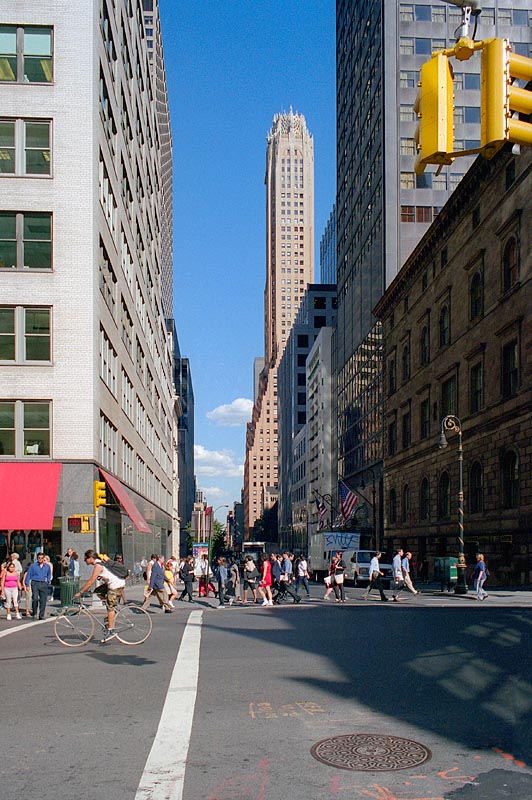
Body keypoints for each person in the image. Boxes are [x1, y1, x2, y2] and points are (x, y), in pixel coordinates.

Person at [75, 550, 126, 641]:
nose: (85, 561)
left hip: (115, 586)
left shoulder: (98, 566)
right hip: (114, 584)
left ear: (91, 558)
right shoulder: (100, 562)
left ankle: (111, 630)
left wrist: (81, 592)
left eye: (86, 559)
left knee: (109, 607)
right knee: (98, 592)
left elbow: (91, 581)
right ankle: (111, 610)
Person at [24, 552, 52, 619]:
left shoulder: (47, 566)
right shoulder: (33, 566)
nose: (40, 559)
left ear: (43, 559)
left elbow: (49, 574)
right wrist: (27, 584)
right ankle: (34, 612)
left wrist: (48, 581)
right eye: (39, 558)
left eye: (42, 558)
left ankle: (41, 615)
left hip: (43, 583)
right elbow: (29, 575)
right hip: (35, 583)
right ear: (37, 558)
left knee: (43, 600)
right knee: (35, 598)